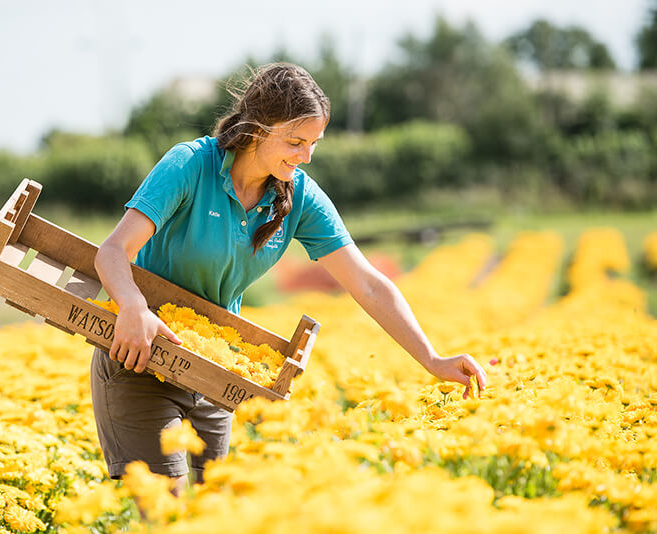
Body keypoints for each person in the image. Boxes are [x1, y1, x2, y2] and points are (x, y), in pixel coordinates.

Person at [90, 62, 487, 490]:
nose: (306, 156)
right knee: (164, 509)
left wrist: (433, 359)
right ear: (258, 127)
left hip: (214, 370)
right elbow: (112, 251)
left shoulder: (297, 194)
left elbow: (368, 284)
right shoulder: (189, 165)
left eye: (314, 143)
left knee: (214, 511)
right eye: (296, 141)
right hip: (140, 355)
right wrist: (133, 306)